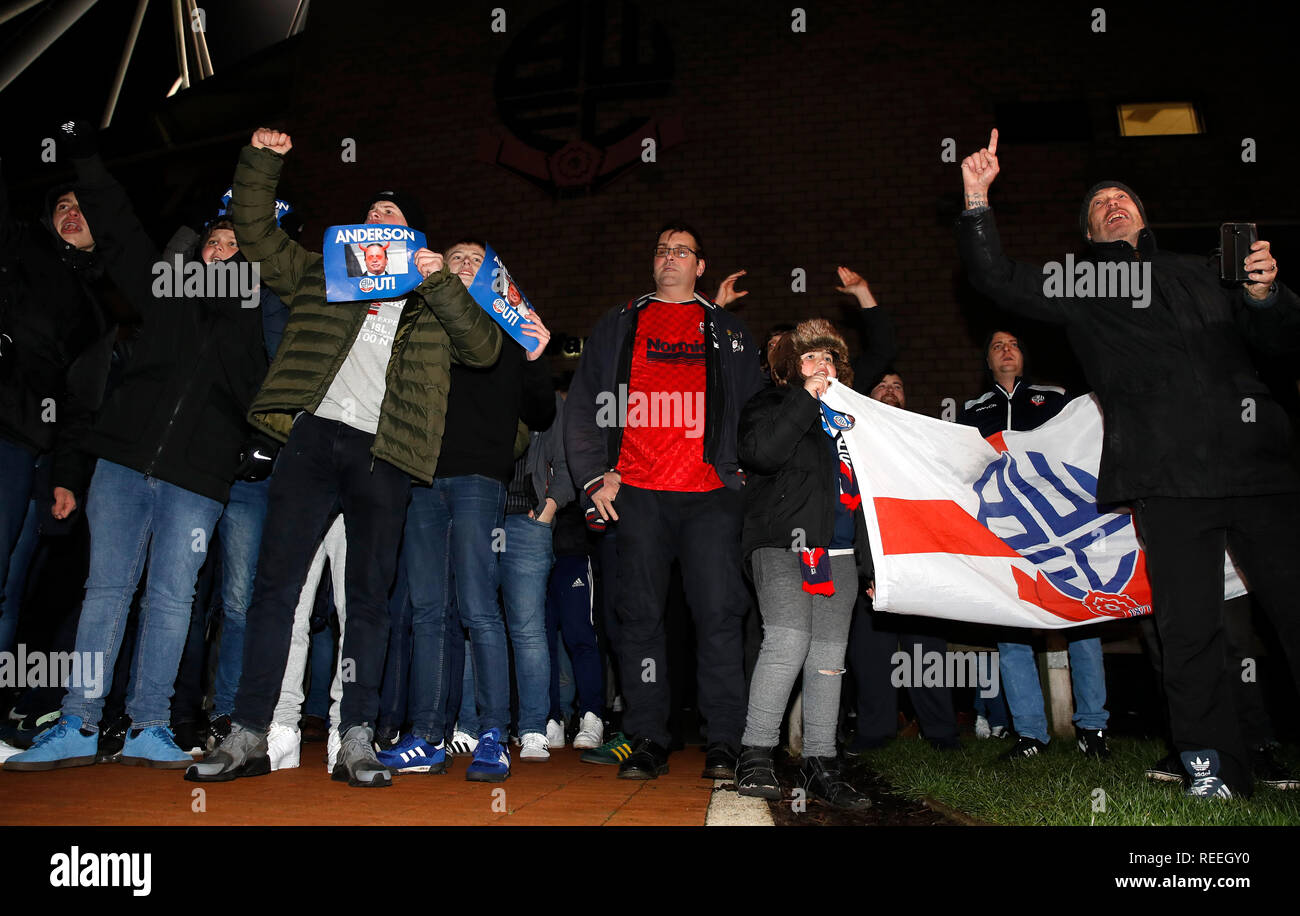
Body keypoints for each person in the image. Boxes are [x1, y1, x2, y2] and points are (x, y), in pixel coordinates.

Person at [956, 128, 1300, 798]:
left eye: (1125, 199)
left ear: (1145, 215)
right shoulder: (1082, 283)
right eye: (1100, 204)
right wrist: (975, 199)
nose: (1115, 205)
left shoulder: (1207, 270)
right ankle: (1212, 767)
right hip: (1167, 482)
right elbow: (995, 277)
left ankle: (1261, 745)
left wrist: (1266, 293)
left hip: (1260, 469)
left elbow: (1280, 341)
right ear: (1087, 232)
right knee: (1188, 629)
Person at [186, 128, 501, 789]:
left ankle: (354, 739)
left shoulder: (428, 298)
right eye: (372, 210)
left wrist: (441, 283)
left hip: (384, 455)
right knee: (275, 589)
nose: (378, 215)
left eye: (394, 212)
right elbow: (255, 231)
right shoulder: (321, 270)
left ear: (415, 235)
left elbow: (483, 349)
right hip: (311, 439)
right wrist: (262, 163)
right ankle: (248, 732)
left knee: (369, 602)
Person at [7, 123, 269, 772]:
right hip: (123, 464)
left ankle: (151, 725)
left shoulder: (261, 321)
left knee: (174, 599)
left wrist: (262, 439)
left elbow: (285, 380)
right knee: (105, 590)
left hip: (199, 477)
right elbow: (119, 229)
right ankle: (79, 723)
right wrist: (89, 160)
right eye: (214, 239)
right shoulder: (167, 290)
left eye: (236, 245)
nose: (222, 250)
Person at [565, 222, 763, 780]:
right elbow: (582, 406)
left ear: (700, 266)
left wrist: (744, 475)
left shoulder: (729, 331)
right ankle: (649, 737)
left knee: (720, 617)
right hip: (638, 495)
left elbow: (753, 410)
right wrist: (593, 477)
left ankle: (724, 740)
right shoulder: (620, 323)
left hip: (710, 497)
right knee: (640, 620)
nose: (669, 258)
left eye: (681, 251)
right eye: (661, 250)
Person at [375, 238, 552, 783]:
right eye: (456, 257)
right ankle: (428, 735)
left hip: (479, 478)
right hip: (424, 477)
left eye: (478, 259)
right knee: (429, 608)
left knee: (479, 606)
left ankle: (494, 732)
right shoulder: (423, 322)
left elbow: (541, 412)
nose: (466, 264)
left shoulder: (505, 329)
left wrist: (537, 356)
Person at [733, 319, 872, 808]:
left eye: (830, 359)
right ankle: (755, 754)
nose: (822, 366)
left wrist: (870, 566)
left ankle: (821, 762)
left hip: (838, 554)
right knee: (788, 639)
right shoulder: (769, 405)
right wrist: (804, 398)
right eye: (811, 358)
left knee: (829, 659)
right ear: (792, 367)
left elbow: (871, 496)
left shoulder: (855, 418)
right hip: (780, 544)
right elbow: (762, 454)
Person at [956, 329, 1111, 760]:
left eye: (1014, 344)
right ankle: (1030, 735)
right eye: (996, 346)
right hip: (1005, 532)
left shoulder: (1057, 398)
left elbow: (1081, 449)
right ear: (987, 361)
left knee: (1082, 618)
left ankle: (1093, 728)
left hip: (1059, 530)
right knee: (1011, 628)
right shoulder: (971, 410)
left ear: (1024, 356)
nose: (1006, 351)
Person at [842, 368, 961, 753]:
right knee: (871, 654)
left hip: (918, 560)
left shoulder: (923, 437)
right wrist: (865, 565)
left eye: (899, 385)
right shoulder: (853, 438)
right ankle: (876, 730)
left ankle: (941, 732)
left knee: (925, 652)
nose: (892, 391)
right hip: (869, 560)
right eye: (883, 385)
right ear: (867, 395)